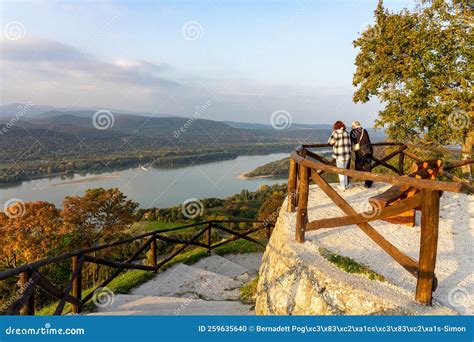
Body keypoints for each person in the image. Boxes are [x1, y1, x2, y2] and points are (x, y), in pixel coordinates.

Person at [328, 121, 351, 191]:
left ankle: (342, 185)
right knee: (345, 170)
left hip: (339, 154)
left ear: (336, 126)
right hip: (347, 154)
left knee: (340, 171)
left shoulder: (335, 132)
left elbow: (330, 142)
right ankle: (346, 184)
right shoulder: (347, 132)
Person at [350, 121, 374, 188]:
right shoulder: (364, 130)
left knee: (358, 165)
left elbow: (352, 141)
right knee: (368, 166)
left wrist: (351, 149)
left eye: (352, 126)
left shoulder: (353, 132)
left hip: (359, 152)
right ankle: (368, 182)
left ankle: (363, 178)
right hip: (368, 150)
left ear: (354, 126)